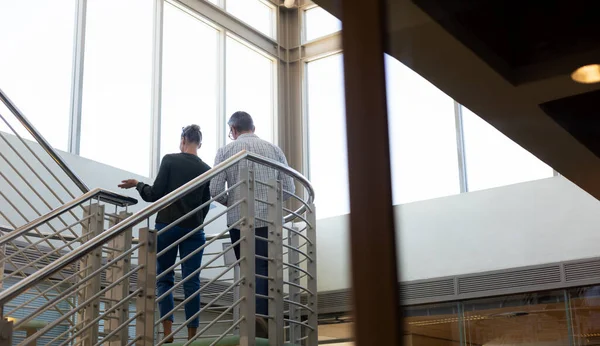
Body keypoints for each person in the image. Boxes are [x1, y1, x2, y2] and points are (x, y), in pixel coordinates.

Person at [118, 125, 211, 343]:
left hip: (167, 226)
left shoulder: (170, 159)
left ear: (183, 140)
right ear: (200, 143)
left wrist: (138, 185)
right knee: (192, 281)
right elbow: (206, 204)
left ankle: (168, 331)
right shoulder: (207, 169)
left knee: (164, 279)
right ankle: (192, 335)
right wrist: (195, 221)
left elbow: (154, 195)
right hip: (193, 229)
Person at [210, 111, 295, 338]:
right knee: (266, 270)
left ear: (234, 130)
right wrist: (273, 203)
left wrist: (233, 201)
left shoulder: (226, 151)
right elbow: (290, 188)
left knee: (247, 270)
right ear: (253, 127)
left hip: (239, 221)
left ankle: (253, 319)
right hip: (270, 220)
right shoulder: (273, 150)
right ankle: (265, 318)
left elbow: (215, 190)